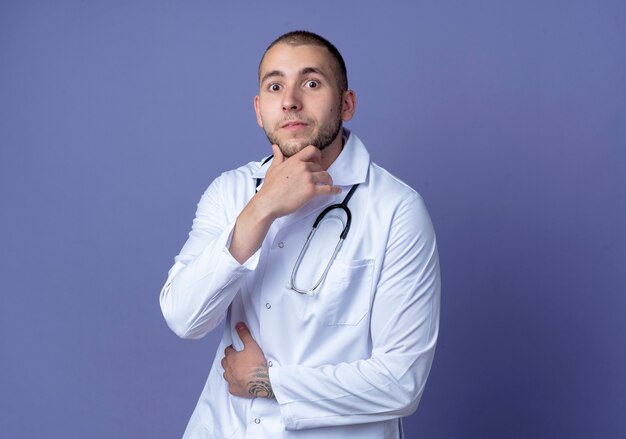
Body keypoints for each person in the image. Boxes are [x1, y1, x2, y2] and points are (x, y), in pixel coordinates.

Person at [160, 30, 440, 438]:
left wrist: (269, 382)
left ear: (347, 104)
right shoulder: (232, 192)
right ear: (259, 110)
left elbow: (402, 382)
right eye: (275, 86)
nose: (290, 100)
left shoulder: (396, 210)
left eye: (311, 83)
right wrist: (262, 208)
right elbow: (184, 318)